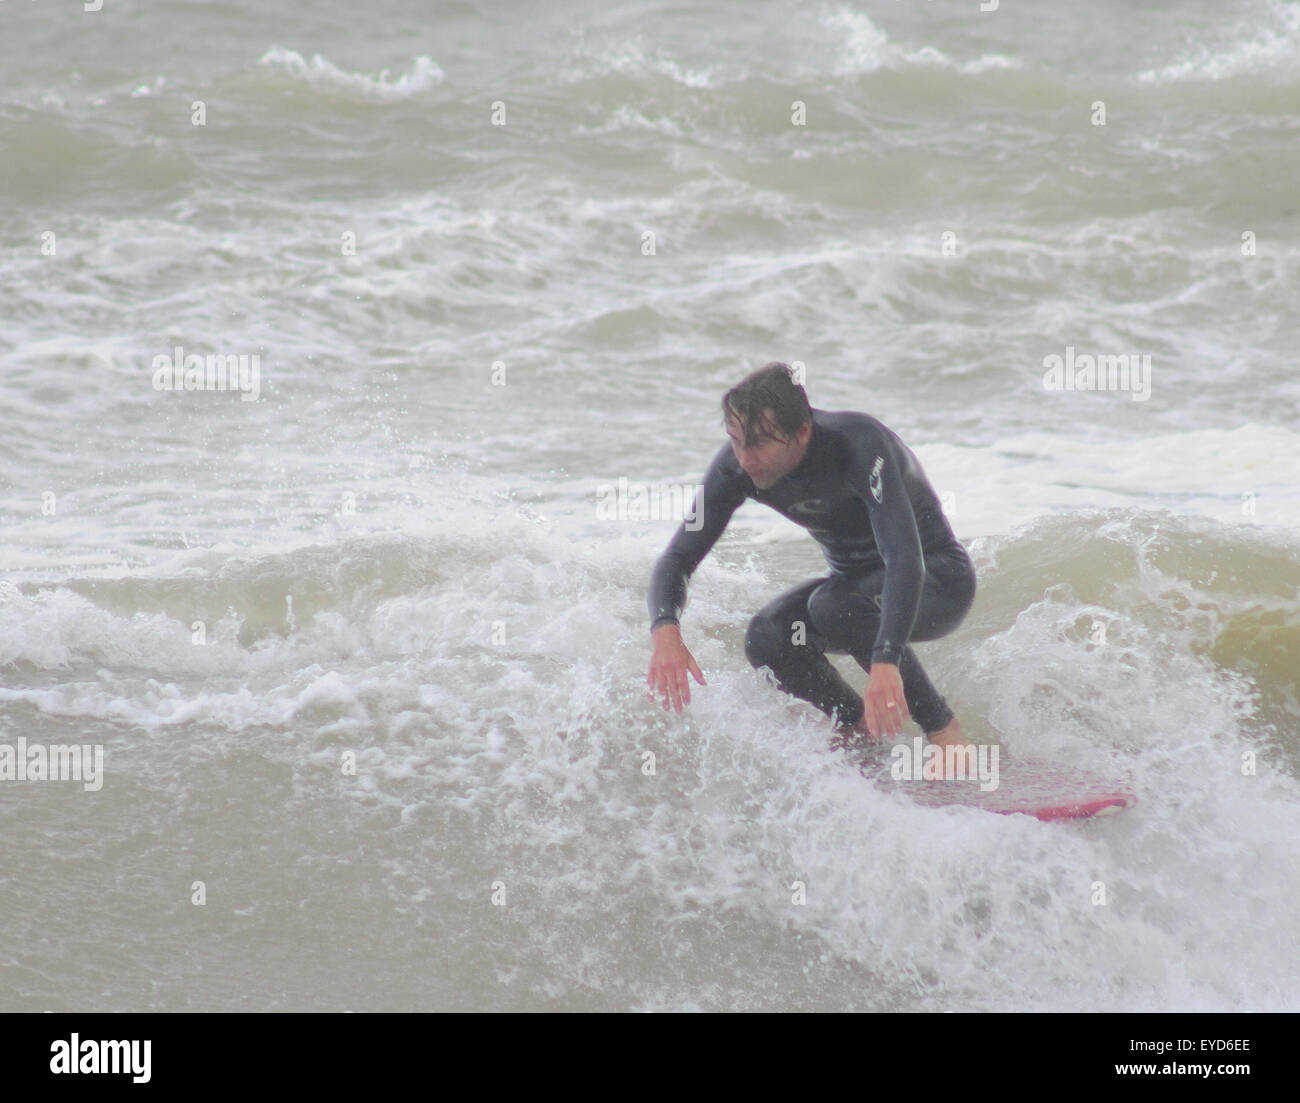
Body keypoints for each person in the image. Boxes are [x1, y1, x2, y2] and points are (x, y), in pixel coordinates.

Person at [646, 362, 977, 751]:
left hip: (936, 581)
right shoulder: (738, 467)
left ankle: (945, 734)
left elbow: (904, 558)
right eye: (736, 441)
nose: (745, 459)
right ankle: (858, 730)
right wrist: (666, 631)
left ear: (802, 432)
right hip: (852, 595)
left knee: (834, 604)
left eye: (759, 444)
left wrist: (886, 660)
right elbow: (678, 557)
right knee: (768, 637)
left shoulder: (859, 444)